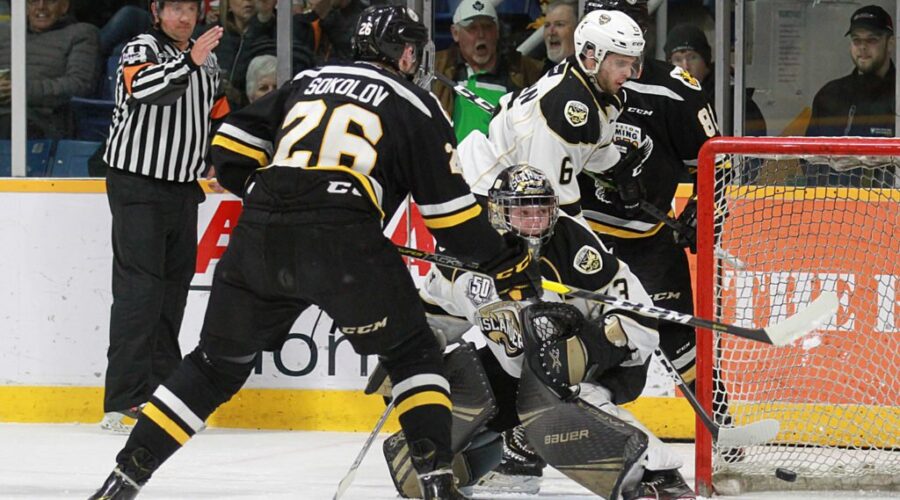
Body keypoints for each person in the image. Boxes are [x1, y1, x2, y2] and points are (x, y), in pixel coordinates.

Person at [88, 5, 540, 499]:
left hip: (261, 234)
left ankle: (122, 480)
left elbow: (230, 145)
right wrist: (506, 262)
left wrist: (277, 196)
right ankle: (436, 486)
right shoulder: (415, 102)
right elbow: (451, 219)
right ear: (407, 54)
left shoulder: (308, 80)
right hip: (345, 243)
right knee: (413, 354)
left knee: (212, 366)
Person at [382, 165, 693, 500]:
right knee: (455, 401)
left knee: (558, 404)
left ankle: (658, 475)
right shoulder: (463, 256)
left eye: (541, 212)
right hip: (520, 368)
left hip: (605, 359)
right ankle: (460, 467)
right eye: (524, 212)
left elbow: (640, 318)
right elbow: (435, 318)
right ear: (499, 212)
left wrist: (589, 347)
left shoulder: (572, 244)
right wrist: (407, 357)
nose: (534, 223)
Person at [98, 0, 227, 433]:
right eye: (174, 8)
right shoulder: (142, 47)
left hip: (182, 188)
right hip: (137, 184)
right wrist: (190, 61)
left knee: (173, 294)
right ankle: (123, 401)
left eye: (190, 8)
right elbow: (147, 89)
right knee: (140, 291)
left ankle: (163, 396)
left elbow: (217, 114)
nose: (184, 17)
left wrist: (221, 159)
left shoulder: (208, 61)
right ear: (156, 11)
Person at [457, 9, 648, 218]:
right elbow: (556, 207)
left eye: (632, 63)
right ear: (592, 57)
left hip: (507, 189)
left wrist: (617, 169)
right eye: (621, 63)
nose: (628, 73)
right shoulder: (565, 108)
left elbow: (592, 146)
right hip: (479, 188)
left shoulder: (589, 81)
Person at [433, 0, 544, 141]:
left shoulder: (525, 71)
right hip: (450, 155)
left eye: (487, 27)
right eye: (472, 28)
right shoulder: (437, 67)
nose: (481, 34)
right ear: (455, 33)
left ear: (497, 31)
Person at [0, 0, 99, 139]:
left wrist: (23, 91)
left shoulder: (82, 33)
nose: (41, 7)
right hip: (5, 111)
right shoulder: (5, 33)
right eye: (33, 1)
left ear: (64, 6)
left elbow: (79, 84)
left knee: (9, 122)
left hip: (42, 118)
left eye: (50, 1)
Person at [663, 23, 767, 137]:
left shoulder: (733, 100)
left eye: (692, 57)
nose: (685, 66)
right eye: (677, 60)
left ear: (705, 61)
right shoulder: (664, 99)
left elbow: (754, 141)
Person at [541, 0, 577, 72]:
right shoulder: (543, 72)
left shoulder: (589, 73)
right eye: (547, 25)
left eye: (559, 24)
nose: (551, 32)